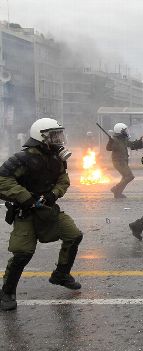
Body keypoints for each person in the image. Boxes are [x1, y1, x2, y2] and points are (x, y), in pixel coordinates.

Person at [0, 118, 83, 311]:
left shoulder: (56, 157)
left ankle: (61, 274)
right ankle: (7, 292)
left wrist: (53, 194)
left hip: (47, 209)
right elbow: (2, 179)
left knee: (73, 235)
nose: (58, 139)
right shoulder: (23, 158)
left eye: (59, 134)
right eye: (54, 135)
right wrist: (25, 197)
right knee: (22, 253)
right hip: (26, 212)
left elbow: (63, 179)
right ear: (42, 137)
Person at [106, 123, 143, 198]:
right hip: (118, 161)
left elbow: (132, 145)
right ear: (120, 131)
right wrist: (110, 141)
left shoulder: (123, 139)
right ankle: (116, 189)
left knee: (124, 177)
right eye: (124, 130)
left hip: (123, 161)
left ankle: (117, 194)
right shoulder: (115, 140)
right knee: (129, 176)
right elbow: (108, 148)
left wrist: (140, 142)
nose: (126, 132)